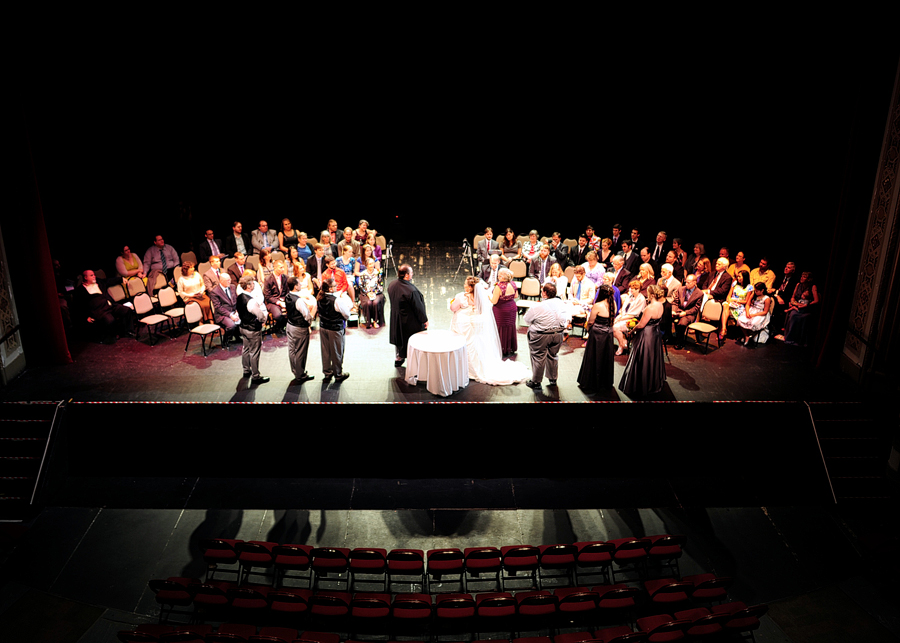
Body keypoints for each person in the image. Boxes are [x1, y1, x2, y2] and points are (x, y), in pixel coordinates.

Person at [450, 276, 530, 385]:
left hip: (464, 324)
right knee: (476, 345)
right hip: (477, 323)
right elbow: (484, 310)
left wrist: (452, 303)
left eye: (465, 284)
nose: (464, 286)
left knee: (465, 344)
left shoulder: (461, 297)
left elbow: (453, 308)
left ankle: (465, 368)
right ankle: (478, 366)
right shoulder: (482, 296)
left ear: (470, 287)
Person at [618, 285, 667, 397]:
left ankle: (640, 384)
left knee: (642, 358)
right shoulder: (660, 305)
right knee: (652, 358)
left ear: (652, 295)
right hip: (655, 333)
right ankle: (651, 383)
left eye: (648, 294)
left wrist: (631, 330)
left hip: (646, 334)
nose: (647, 296)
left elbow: (641, 325)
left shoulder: (650, 308)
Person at [523, 282, 571, 389]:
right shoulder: (561, 303)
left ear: (544, 293)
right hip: (558, 334)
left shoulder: (537, 306)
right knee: (553, 355)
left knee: (538, 357)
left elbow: (526, 320)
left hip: (541, 335)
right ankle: (553, 379)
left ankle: (536, 382)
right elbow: (568, 317)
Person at [73, 269, 136, 341]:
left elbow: (109, 281)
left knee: (126, 310)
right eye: (91, 275)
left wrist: (121, 279)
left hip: (110, 305)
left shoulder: (99, 282)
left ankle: (129, 331)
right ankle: (112, 336)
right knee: (109, 320)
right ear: (85, 277)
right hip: (100, 311)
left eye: (94, 275)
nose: (94, 276)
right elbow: (79, 306)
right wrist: (86, 317)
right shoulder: (80, 290)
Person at [577, 284, 617, 391]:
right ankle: (604, 382)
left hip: (597, 334)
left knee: (593, 357)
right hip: (608, 334)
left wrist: (588, 330)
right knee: (605, 358)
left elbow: (590, 322)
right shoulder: (613, 304)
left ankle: (591, 382)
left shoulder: (598, 305)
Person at [387, 264, 428, 367]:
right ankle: (415, 361)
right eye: (411, 273)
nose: (412, 274)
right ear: (406, 275)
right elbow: (418, 307)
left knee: (399, 340)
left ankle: (399, 357)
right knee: (410, 339)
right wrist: (424, 320)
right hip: (409, 320)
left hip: (396, 317)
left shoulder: (392, 284)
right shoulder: (410, 290)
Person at [236, 274, 269, 384]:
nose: (254, 284)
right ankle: (256, 376)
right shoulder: (251, 301)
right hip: (252, 329)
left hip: (243, 327)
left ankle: (246, 370)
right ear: (249, 286)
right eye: (253, 283)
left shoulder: (240, 297)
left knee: (246, 348)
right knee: (254, 352)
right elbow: (259, 315)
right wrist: (263, 319)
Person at [317, 278, 352, 382]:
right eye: (335, 285)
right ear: (331, 289)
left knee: (325, 351)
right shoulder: (337, 300)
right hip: (335, 329)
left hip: (323, 327)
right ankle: (338, 374)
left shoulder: (319, 297)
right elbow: (346, 314)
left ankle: (327, 373)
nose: (337, 287)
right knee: (337, 351)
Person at [285, 276, 317, 384]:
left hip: (290, 325)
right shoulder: (298, 301)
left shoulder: (288, 296)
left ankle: (296, 371)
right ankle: (300, 374)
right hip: (299, 328)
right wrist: (313, 312)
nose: (301, 285)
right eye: (299, 283)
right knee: (300, 351)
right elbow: (307, 316)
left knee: (292, 350)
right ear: (295, 286)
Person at [782, 272, 819, 346]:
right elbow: (793, 296)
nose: (802, 278)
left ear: (808, 279)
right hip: (797, 305)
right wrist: (793, 301)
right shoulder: (798, 285)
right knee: (793, 314)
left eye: (804, 277)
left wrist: (806, 305)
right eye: (801, 276)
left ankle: (800, 340)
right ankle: (790, 338)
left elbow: (816, 300)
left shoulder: (812, 287)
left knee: (802, 317)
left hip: (806, 308)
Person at [612, 279, 648, 355]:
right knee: (611, 325)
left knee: (615, 328)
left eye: (632, 288)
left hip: (633, 320)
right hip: (624, 316)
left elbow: (634, 314)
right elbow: (624, 309)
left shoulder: (641, 299)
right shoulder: (630, 296)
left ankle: (621, 346)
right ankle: (623, 341)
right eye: (630, 288)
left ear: (638, 289)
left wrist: (620, 318)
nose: (630, 290)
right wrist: (620, 315)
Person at [490, 268, 519, 356]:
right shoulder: (513, 284)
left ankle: (501, 348)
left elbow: (494, 301)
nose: (498, 276)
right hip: (511, 308)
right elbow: (516, 296)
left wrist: (488, 297)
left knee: (500, 328)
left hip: (501, 310)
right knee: (510, 327)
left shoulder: (499, 287)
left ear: (504, 277)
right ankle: (509, 347)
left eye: (500, 275)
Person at [671, 274, 704, 350]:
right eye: (686, 282)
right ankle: (669, 337)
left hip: (689, 314)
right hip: (679, 310)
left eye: (688, 282)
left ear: (694, 283)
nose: (686, 284)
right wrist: (673, 310)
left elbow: (696, 308)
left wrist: (685, 313)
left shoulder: (699, 293)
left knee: (682, 322)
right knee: (667, 316)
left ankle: (679, 342)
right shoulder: (681, 289)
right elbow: (675, 302)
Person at [737, 282, 773, 346]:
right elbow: (747, 304)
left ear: (762, 290)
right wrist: (747, 312)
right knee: (740, 319)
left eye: (757, 291)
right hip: (752, 310)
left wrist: (754, 315)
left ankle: (751, 335)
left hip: (760, 314)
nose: (755, 292)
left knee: (753, 323)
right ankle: (746, 336)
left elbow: (765, 312)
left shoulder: (766, 298)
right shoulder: (754, 295)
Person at [208, 273, 240, 342]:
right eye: (227, 280)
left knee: (246, 319)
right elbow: (218, 307)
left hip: (234, 311)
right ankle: (227, 338)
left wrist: (237, 311)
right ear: (221, 281)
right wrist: (230, 315)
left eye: (229, 280)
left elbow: (237, 300)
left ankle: (237, 336)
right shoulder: (215, 292)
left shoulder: (233, 287)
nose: (229, 281)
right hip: (222, 314)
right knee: (231, 325)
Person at [357, 258, 385, 328]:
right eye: (370, 264)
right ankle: (368, 321)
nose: (372, 265)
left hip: (377, 292)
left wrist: (375, 292)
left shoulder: (378, 273)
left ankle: (375, 321)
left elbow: (381, 285)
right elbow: (361, 286)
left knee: (375, 302)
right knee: (368, 303)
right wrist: (368, 293)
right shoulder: (362, 274)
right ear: (366, 265)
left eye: (372, 263)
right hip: (366, 293)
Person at [263, 260, 289, 330]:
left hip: (283, 299)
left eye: (283, 267)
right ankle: (278, 328)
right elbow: (267, 296)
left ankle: (283, 327)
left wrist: (283, 300)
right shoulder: (268, 279)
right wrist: (279, 302)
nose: (283, 269)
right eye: (281, 268)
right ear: (275, 268)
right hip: (272, 302)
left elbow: (288, 292)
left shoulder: (286, 277)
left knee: (293, 311)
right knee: (278, 315)